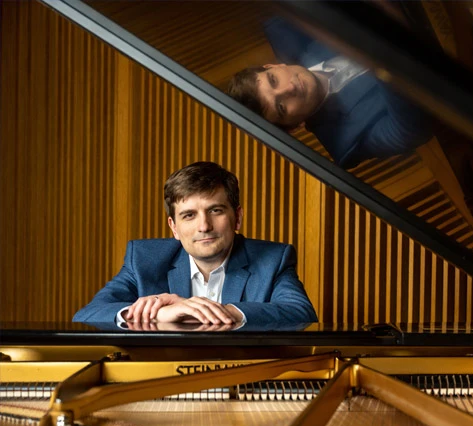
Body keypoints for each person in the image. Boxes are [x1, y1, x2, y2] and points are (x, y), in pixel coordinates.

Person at [73, 161, 317, 327]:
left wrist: (225, 312)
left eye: (216, 210)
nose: (204, 226)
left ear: (237, 217)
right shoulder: (144, 259)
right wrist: (158, 314)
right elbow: (86, 316)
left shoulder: (273, 259)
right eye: (189, 215)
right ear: (174, 227)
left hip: (245, 378)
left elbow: (301, 314)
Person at [226, 17, 432, 169]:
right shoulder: (347, 142)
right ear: (294, 127)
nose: (289, 89)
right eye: (281, 107)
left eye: (273, 80)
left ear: (273, 65)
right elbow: (413, 129)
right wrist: (378, 56)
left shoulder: (287, 28)